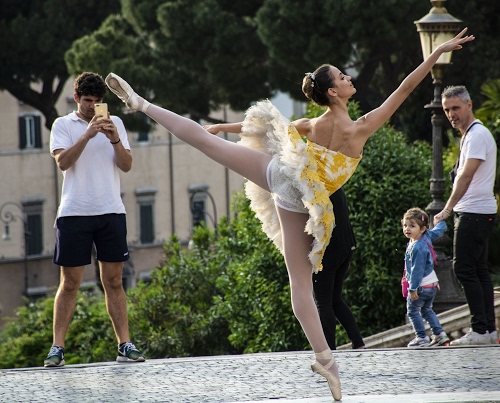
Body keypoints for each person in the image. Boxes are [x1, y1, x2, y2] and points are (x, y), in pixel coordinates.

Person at [104, 29, 473, 400]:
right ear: (333, 92)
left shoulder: (314, 123)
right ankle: (325, 360)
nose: (348, 78)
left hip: (282, 177)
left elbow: (261, 129)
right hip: (301, 197)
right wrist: (436, 52)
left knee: (205, 142)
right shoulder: (360, 127)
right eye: (342, 76)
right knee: (301, 284)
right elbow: (405, 88)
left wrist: (222, 129)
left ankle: (142, 104)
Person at [45, 72, 145, 367]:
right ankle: (57, 348)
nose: (92, 106)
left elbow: (126, 166)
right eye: (87, 100)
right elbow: (63, 162)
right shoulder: (63, 125)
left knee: (113, 280)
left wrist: (114, 139)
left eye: (98, 101)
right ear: (76, 98)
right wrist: (87, 135)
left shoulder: (117, 124)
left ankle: (124, 344)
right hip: (74, 212)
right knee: (70, 283)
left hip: (110, 210)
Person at [435, 85, 498, 346]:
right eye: (447, 110)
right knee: (479, 271)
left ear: (469, 105)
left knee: (463, 269)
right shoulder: (471, 135)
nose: (451, 114)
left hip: (472, 212)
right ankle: (488, 330)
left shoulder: (477, 135)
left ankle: (480, 330)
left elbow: (466, 176)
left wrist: (447, 208)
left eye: (456, 108)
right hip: (478, 212)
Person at [313, 188, 365, 350]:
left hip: (328, 251)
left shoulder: (315, 188)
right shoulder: (335, 183)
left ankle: (329, 350)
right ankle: (358, 342)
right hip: (346, 247)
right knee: (335, 300)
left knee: (323, 303)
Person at [402, 208, 449, 347]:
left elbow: (417, 270)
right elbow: (438, 231)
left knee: (412, 312)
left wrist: (413, 288)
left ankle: (421, 337)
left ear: (422, 229)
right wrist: (440, 222)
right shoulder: (426, 236)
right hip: (432, 284)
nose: (407, 229)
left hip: (421, 286)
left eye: (412, 226)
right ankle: (439, 334)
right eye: (405, 225)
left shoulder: (417, 247)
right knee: (427, 310)